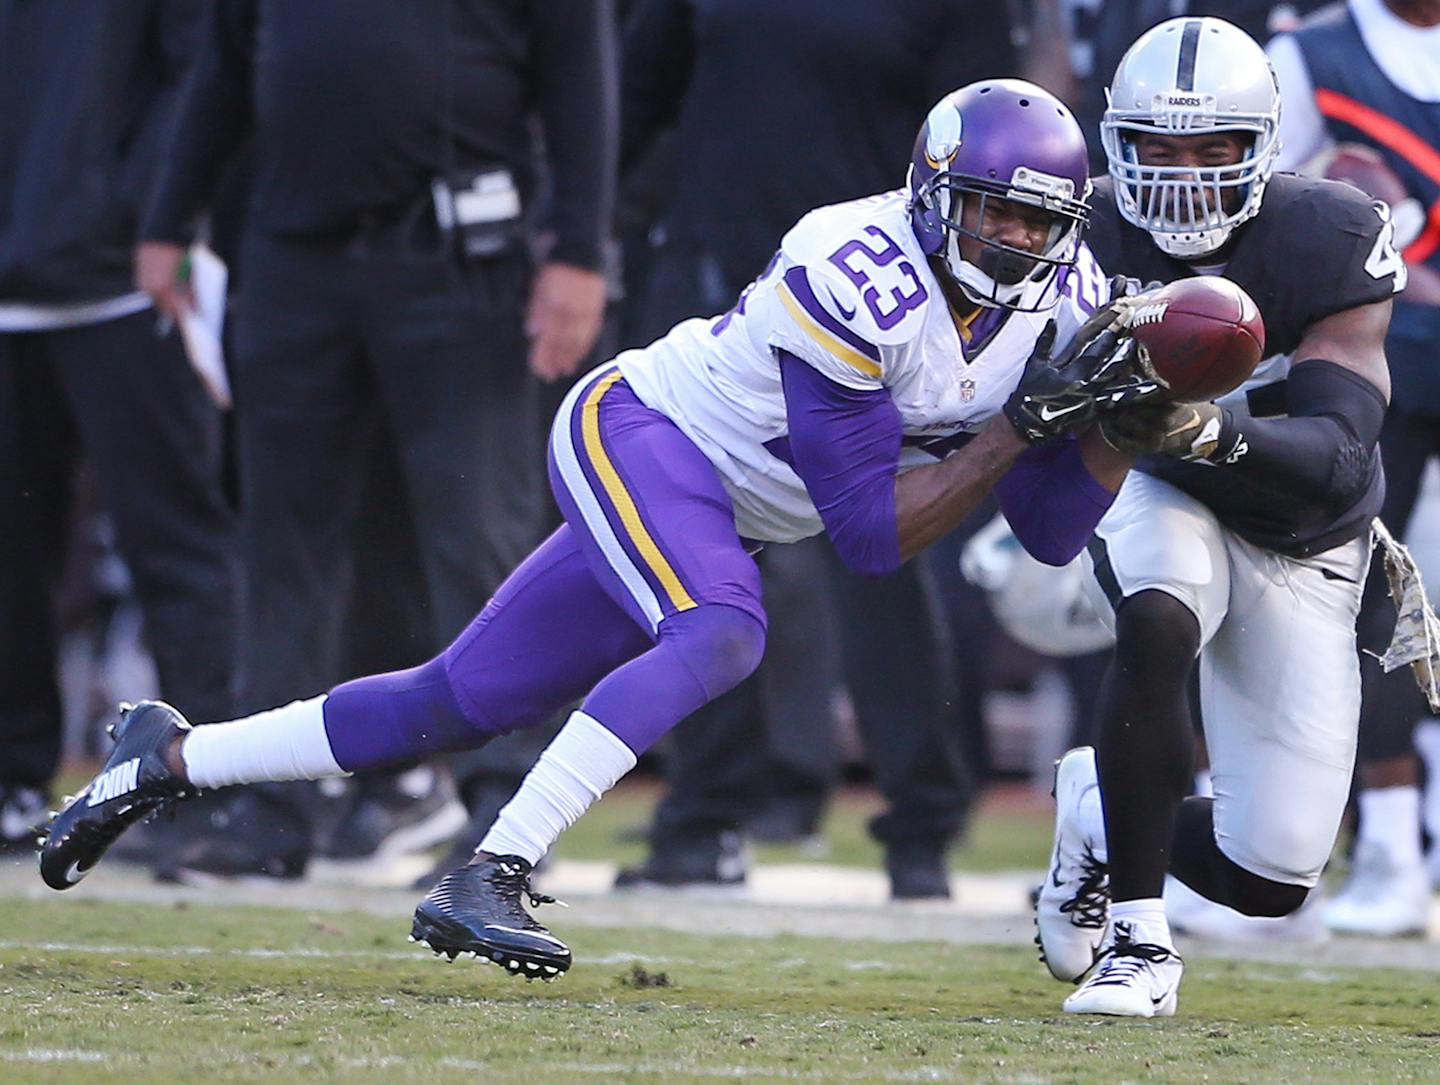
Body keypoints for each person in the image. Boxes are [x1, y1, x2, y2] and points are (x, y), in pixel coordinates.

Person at [42, 79, 1160, 979]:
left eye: (1038, 219)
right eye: (992, 209)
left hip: (724, 500)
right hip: (647, 433)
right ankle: (494, 866)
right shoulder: (856, 268)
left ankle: (164, 758)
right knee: (723, 629)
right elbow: (869, 535)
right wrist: (1018, 423)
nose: (1014, 238)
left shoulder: (1067, 302)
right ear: (932, 194)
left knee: (459, 698)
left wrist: (1119, 427)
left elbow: (1051, 530)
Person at [132, 0, 616, 877]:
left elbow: (581, 80)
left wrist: (580, 249)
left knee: (477, 534)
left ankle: (505, 816)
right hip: (291, 252)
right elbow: (225, 68)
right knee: (285, 539)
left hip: (458, 256)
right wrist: (170, 216)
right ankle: (270, 807)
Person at [1035, 17, 1404, 1017]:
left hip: (1305, 534)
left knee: (1272, 875)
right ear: (1115, 143)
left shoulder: (1326, 234)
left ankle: (1098, 808)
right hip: (1157, 488)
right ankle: (1139, 942)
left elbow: (1341, 451)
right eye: (1159, 146)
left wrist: (1205, 428)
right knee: (1159, 609)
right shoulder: (1078, 227)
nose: (1185, 174)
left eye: (1212, 148)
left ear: (1265, 147)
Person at [611, 0, 1019, 900]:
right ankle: (705, 814)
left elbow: (997, 138)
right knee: (693, 550)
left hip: (887, 302)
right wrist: (584, 231)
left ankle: (920, 826)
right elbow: (642, 92)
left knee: (882, 562)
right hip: (719, 279)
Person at [0, 0, 240, 850]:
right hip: (14, 281)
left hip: (128, 273)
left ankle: (209, 779)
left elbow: (200, 69)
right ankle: (15, 779)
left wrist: (158, 216)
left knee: (173, 538)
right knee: (12, 549)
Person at [1267, 0, 1440, 938]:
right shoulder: (1309, 56)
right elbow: (1257, 206)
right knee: (1358, 599)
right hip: (1378, 363)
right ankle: (1383, 846)